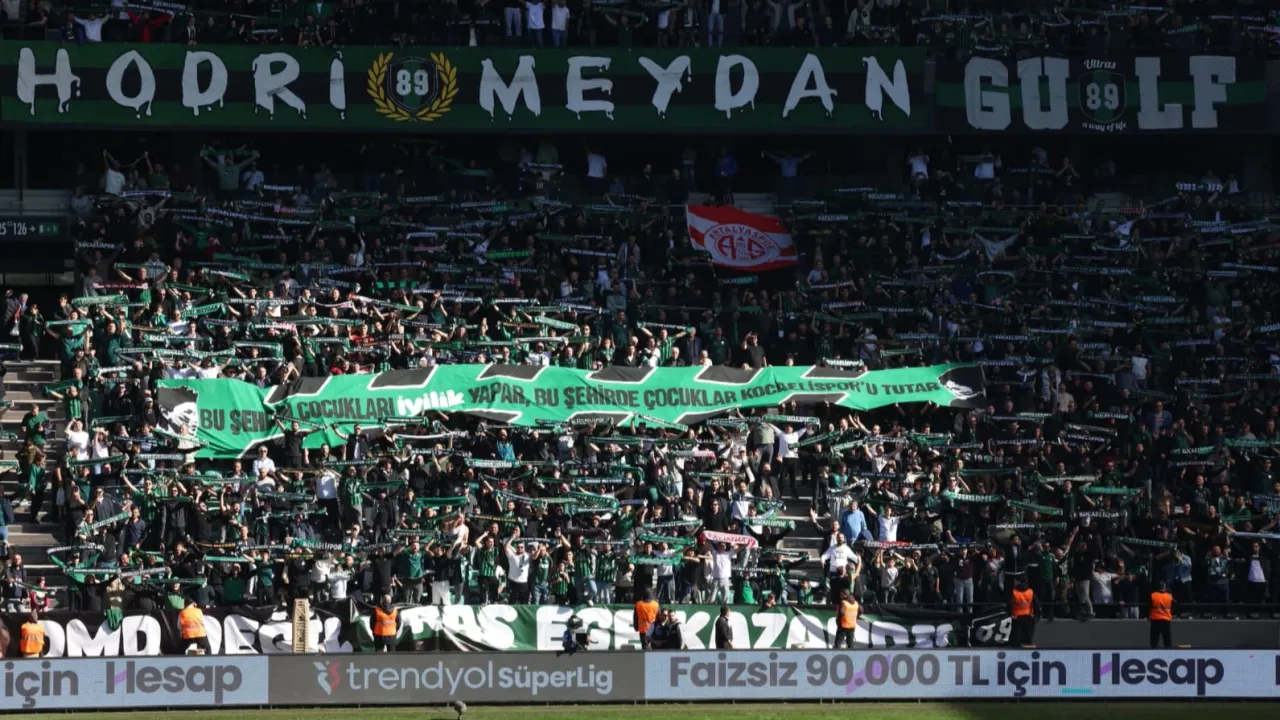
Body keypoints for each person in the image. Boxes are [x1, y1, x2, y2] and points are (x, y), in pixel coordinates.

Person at [1010, 578, 1036, 647]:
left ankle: (1014, 645)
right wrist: (1034, 614)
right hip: (1028, 616)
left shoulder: (1014, 592)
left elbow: (1010, 604)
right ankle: (1028, 644)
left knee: (1015, 635)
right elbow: (1036, 604)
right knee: (1028, 634)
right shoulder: (1030, 592)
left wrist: (1010, 614)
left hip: (1016, 616)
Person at [1149, 581, 1174, 649]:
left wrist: (1149, 616)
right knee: (1167, 639)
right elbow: (1174, 606)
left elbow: (1149, 606)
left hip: (1155, 620)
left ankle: (1154, 652)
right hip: (1166, 620)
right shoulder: (1169, 596)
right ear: (1165, 587)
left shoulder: (1153, 595)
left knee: (1154, 640)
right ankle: (1168, 652)